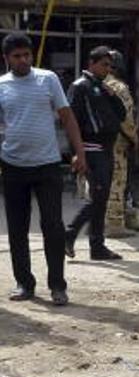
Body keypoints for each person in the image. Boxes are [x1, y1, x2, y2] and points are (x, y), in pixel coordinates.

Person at [0, 33, 86, 305]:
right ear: (6, 59)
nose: (23, 60)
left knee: (53, 226)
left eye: (27, 55)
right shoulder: (1, 86)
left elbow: (67, 117)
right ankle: (24, 283)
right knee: (17, 228)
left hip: (47, 165)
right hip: (13, 166)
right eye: (17, 56)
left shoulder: (47, 79)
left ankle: (57, 286)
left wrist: (79, 153)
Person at [65, 46, 126, 261]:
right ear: (91, 64)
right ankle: (70, 233)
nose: (108, 69)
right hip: (91, 149)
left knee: (102, 198)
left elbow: (121, 114)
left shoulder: (102, 87)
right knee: (98, 196)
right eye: (104, 65)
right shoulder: (80, 86)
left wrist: (113, 96)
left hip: (106, 148)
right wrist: (76, 152)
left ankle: (97, 247)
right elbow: (70, 121)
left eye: (110, 65)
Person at [104, 49, 139, 239]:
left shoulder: (94, 84)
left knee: (99, 184)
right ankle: (115, 225)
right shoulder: (120, 87)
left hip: (95, 142)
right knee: (117, 183)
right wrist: (134, 138)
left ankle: (98, 221)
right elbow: (127, 118)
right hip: (116, 143)